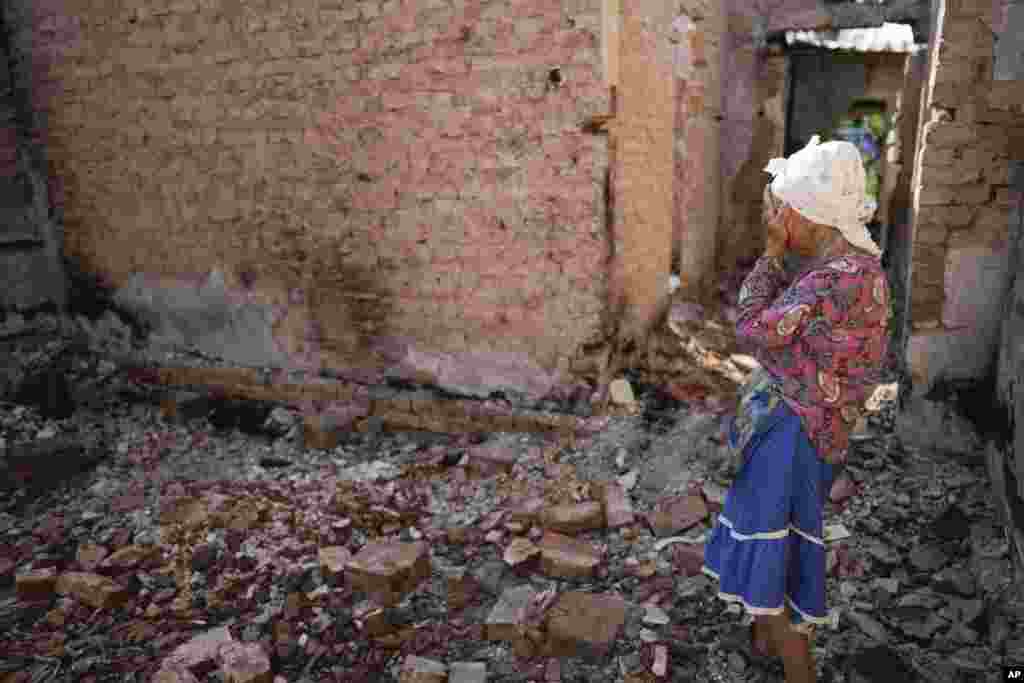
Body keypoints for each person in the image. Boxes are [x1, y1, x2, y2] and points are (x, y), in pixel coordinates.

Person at [701, 136, 891, 683]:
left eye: (788, 209)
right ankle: (767, 643)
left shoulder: (835, 279)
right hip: (812, 433)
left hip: (792, 436)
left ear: (814, 215)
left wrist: (771, 254)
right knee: (778, 541)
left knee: (772, 551)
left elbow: (753, 326)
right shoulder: (854, 270)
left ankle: (797, 669)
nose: (781, 217)